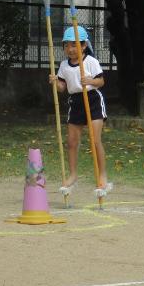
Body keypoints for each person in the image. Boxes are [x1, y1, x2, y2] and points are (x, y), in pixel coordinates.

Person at [48, 26, 111, 196]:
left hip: (92, 100)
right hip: (75, 102)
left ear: (83, 46)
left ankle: (102, 176)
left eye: (74, 45)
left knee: (94, 139)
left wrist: (90, 80)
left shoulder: (90, 61)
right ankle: (73, 175)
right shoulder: (63, 65)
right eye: (67, 45)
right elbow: (63, 87)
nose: (70, 49)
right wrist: (55, 82)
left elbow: (101, 81)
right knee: (72, 142)